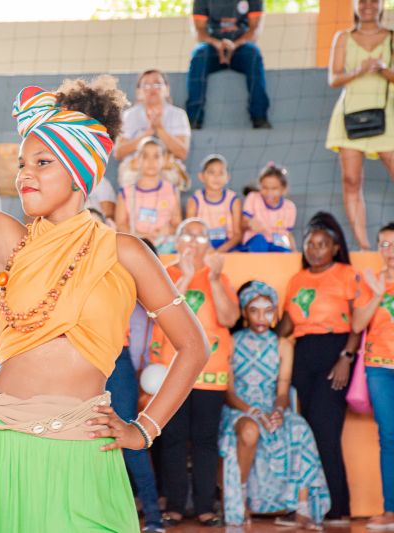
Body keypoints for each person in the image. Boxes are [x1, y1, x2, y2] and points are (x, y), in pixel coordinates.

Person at [0, 44, 209, 533]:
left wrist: (144, 429)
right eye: (22, 163)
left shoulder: (126, 252)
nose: (25, 173)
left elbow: (193, 346)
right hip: (6, 446)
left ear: (78, 172)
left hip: (83, 450)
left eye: (42, 162)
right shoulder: (9, 241)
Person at [149, 217, 240, 527]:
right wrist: (186, 277)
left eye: (201, 238)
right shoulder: (166, 274)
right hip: (173, 369)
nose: (193, 242)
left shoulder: (220, 277)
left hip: (210, 372)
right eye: (187, 236)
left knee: (205, 440)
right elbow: (161, 315)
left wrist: (212, 279)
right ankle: (175, 505)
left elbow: (229, 318)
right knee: (172, 438)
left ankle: (205, 506)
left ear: (210, 246)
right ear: (177, 241)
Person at [219, 281, 330, 529]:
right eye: (254, 310)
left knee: (299, 428)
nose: (261, 317)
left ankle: (302, 509)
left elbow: (282, 389)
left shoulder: (282, 345)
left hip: (270, 407)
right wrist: (253, 411)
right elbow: (228, 392)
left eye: (268, 311)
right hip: (239, 408)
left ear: (275, 312)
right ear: (244, 312)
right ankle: (239, 500)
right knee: (250, 430)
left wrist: (278, 411)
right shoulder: (233, 341)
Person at [277, 211, 362, 525]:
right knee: (306, 433)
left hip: (334, 354)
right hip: (303, 356)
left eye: (322, 244)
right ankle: (309, 505)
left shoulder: (346, 274)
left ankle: (337, 508)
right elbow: (286, 325)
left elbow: (358, 323)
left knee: (326, 431)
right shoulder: (297, 280)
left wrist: (346, 357)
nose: (314, 250)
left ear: (335, 248)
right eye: (310, 244)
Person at [106, 238, 165, 533]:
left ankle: (153, 516)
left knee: (129, 434)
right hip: (82, 357)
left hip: (118, 358)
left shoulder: (127, 279)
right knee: (86, 437)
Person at [325, 0, 394, 250]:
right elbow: (334, 78)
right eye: (362, 1)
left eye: (373, 1)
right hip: (350, 115)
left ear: (381, 5)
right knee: (351, 179)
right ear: (355, 5)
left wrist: (383, 69)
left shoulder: (391, 38)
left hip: (386, 113)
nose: (367, 6)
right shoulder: (342, 38)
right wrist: (359, 70)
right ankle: (364, 246)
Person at [352, 222, 394, 530]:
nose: (389, 251)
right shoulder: (369, 282)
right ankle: (390, 510)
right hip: (379, 368)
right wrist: (378, 294)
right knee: (389, 438)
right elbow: (357, 325)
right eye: (384, 244)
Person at [186, 0, 271, 129]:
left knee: (254, 54)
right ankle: (194, 119)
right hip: (212, 47)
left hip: (241, 47)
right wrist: (217, 44)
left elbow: (255, 30)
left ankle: (259, 117)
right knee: (198, 55)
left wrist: (234, 45)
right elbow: (199, 31)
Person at [115, 69, 192, 190]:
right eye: (146, 84)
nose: (151, 88)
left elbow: (182, 153)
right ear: (138, 92)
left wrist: (160, 129)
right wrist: (147, 133)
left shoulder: (179, 115)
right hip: (135, 167)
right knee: (130, 178)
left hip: (166, 167)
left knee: (168, 179)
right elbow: (118, 153)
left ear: (167, 90)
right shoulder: (129, 115)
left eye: (157, 84)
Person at [114, 137, 182, 253]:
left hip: (163, 244)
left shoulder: (171, 190)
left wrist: (164, 232)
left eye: (156, 156)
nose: (151, 162)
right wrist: (141, 236)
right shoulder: (126, 192)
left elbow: (177, 224)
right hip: (135, 243)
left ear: (164, 159)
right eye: (145, 156)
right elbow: (120, 224)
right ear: (137, 159)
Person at [186, 154, 243, 252]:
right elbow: (190, 231)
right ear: (201, 176)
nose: (216, 177)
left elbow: (238, 234)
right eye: (211, 172)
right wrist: (206, 248)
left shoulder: (233, 200)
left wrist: (219, 251)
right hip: (202, 245)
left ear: (227, 177)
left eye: (221, 173)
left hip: (227, 246)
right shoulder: (194, 201)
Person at [240, 162, 297, 252]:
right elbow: (243, 223)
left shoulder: (290, 207)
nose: (269, 193)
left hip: (277, 244)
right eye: (265, 188)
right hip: (256, 243)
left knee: (285, 251)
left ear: (283, 189)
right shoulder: (253, 198)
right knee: (259, 241)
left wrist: (294, 252)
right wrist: (249, 223)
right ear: (260, 186)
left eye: (274, 188)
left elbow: (288, 234)